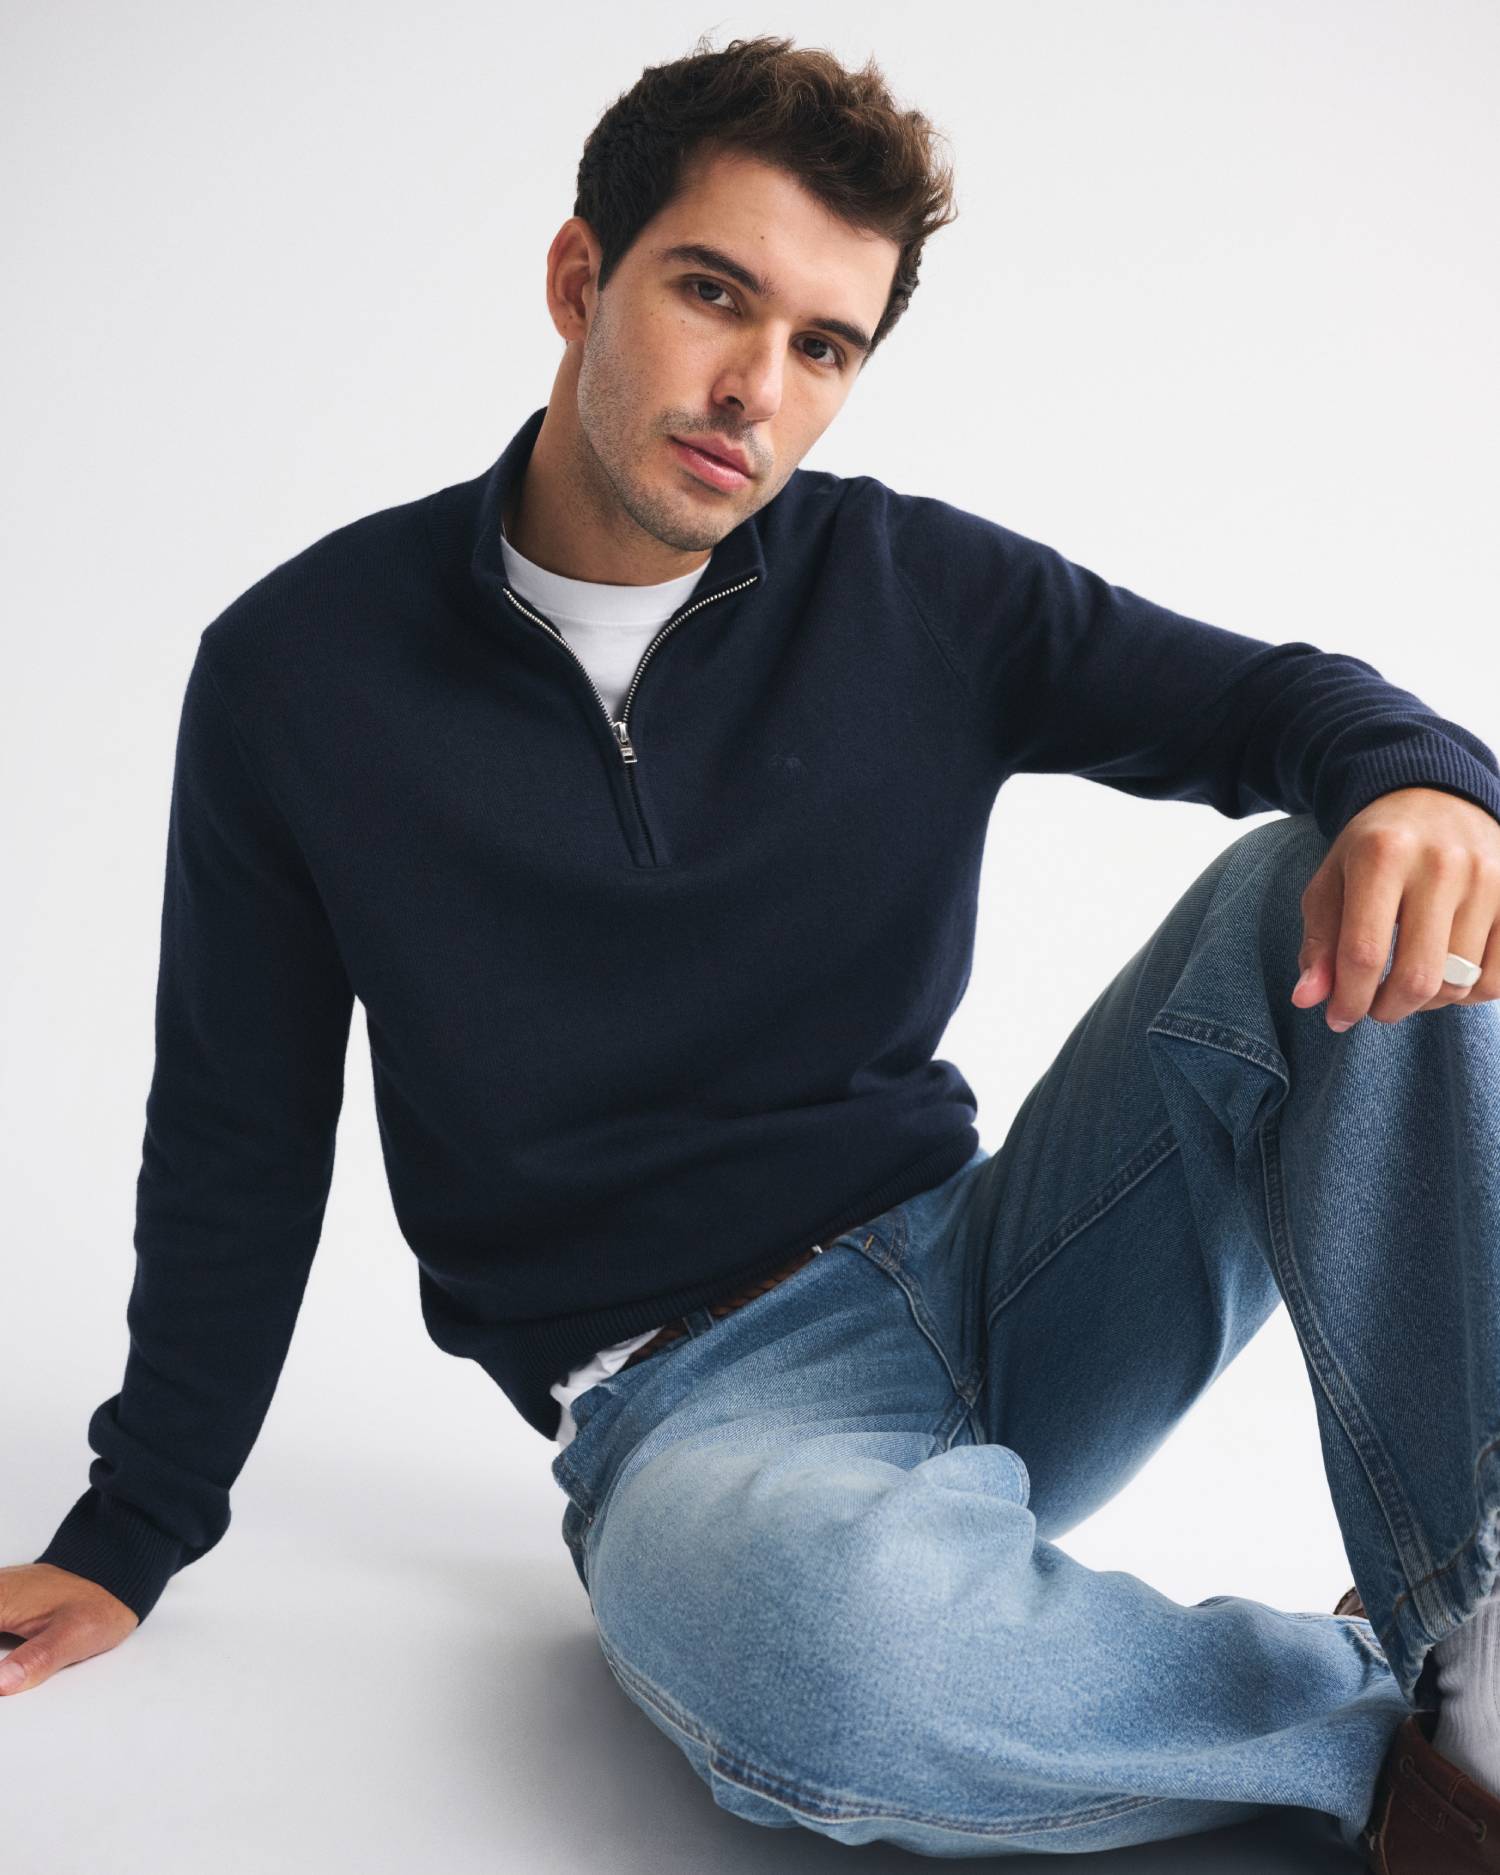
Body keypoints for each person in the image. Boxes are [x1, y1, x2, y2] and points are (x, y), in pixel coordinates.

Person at [3, 28, 1497, 1869]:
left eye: (824, 346)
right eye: (713, 295)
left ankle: (1485, 1637)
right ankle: (1393, 1738)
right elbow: (236, 1129)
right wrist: (132, 1530)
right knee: (834, 1668)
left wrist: (1426, 786)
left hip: (1010, 1274)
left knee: (1370, 867)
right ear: (582, 279)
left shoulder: (914, 588)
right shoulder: (302, 673)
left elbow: (1286, 705)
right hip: (702, 1410)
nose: (755, 392)